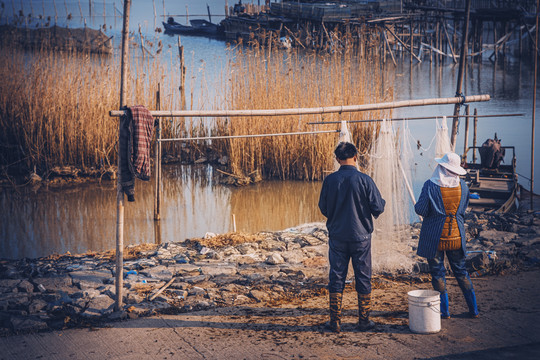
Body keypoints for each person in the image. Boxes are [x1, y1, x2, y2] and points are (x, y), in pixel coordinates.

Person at [318, 142, 386, 332]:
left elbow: (323, 208)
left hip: (338, 236)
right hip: (361, 237)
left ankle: (335, 321)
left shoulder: (330, 181)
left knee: (336, 276)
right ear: (356, 157)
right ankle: (364, 321)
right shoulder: (365, 180)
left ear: (338, 159)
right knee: (363, 277)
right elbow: (378, 208)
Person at [414, 152, 479, 319]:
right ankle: (474, 310)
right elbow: (463, 209)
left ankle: (444, 312)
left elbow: (420, 209)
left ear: (441, 167)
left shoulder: (430, 186)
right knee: (461, 272)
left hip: (435, 238)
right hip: (456, 235)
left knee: (437, 273)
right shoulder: (463, 186)